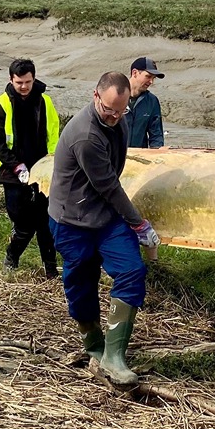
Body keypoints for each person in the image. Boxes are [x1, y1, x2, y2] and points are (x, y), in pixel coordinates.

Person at [48, 71, 161, 385]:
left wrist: (130, 221)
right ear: (95, 95)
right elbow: (109, 186)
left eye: (120, 110)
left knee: (131, 270)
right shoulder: (86, 135)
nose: (113, 116)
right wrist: (139, 223)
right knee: (81, 280)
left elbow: (115, 171)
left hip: (105, 217)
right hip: (72, 220)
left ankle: (114, 356)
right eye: (108, 109)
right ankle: (93, 342)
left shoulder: (119, 122)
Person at [0, 59, 61, 278]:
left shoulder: (45, 102)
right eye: (19, 82)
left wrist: (50, 165)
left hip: (41, 170)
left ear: (34, 78)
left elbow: (54, 135)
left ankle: (50, 269)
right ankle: (12, 256)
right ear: (11, 79)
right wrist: (17, 167)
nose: (24, 86)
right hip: (11, 173)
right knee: (24, 223)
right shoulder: (0, 105)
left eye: (28, 82)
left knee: (45, 223)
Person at [126, 57, 165, 149]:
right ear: (134, 73)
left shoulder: (152, 101)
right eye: (148, 76)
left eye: (153, 78)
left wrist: (156, 156)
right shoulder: (115, 95)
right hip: (114, 157)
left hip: (139, 157)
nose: (151, 82)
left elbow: (156, 135)